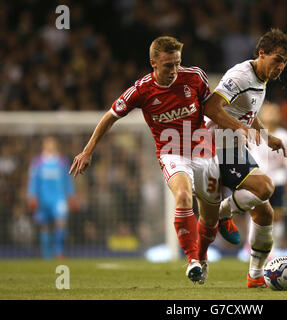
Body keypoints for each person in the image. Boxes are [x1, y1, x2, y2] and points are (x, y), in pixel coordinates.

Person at [69, 36, 252, 284]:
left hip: (203, 152)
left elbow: (212, 109)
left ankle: (205, 250)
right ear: (153, 63)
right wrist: (87, 150)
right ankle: (192, 261)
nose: (174, 70)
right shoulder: (141, 90)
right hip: (171, 153)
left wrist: (238, 126)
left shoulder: (196, 77)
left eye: (177, 63)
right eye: (168, 65)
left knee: (208, 217)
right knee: (184, 196)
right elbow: (110, 116)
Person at [204, 28, 287, 288]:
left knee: (265, 215)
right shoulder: (240, 75)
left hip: (233, 145)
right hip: (216, 145)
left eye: (285, 62)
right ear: (261, 53)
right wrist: (239, 128)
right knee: (266, 187)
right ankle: (220, 214)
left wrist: (265, 136)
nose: (280, 66)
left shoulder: (262, 78)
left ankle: (255, 277)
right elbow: (211, 107)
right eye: (277, 59)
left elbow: (246, 111)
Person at [249, 102, 287, 250]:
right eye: (268, 112)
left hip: (278, 182)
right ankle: (252, 247)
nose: (271, 115)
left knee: (277, 217)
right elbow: (250, 157)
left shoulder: (286, 137)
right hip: (259, 182)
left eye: (274, 112)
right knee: (256, 215)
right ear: (261, 115)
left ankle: (274, 248)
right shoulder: (254, 135)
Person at [27, 136, 77, 259]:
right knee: (45, 226)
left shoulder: (62, 161)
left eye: (52, 143)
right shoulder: (38, 161)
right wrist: (32, 196)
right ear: (44, 146)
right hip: (43, 199)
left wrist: (71, 196)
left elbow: (67, 180)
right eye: (48, 144)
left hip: (58, 199)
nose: (50, 146)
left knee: (61, 222)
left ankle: (59, 251)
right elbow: (34, 181)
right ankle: (47, 254)